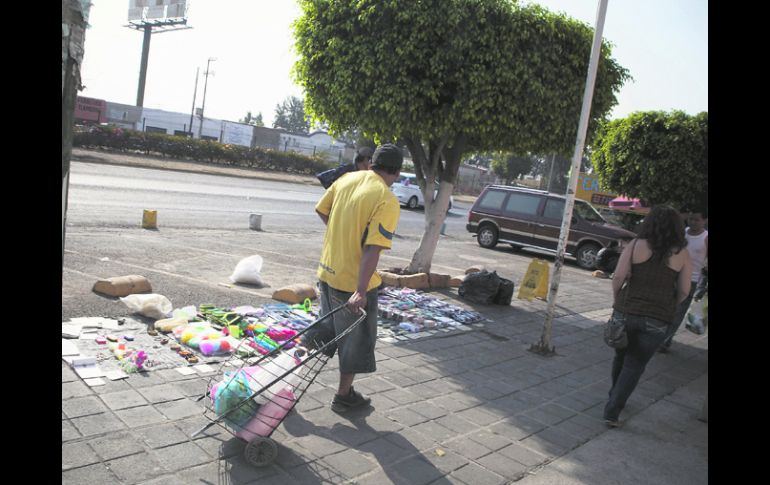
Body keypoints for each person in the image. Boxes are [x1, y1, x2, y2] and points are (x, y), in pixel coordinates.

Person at [303, 143, 403, 412]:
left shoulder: (346, 179)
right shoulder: (386, 198)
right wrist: (360, 290)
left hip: (326, 272)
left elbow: (321, 209)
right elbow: (373, 248)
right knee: (354, 344)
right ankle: (343, 396)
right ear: (396, 172)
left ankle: (285, 381)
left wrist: (341, 234)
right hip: (352, 284)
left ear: (372, 163)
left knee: (322, 333)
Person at [603, 205, 692, 428]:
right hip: (658, 318)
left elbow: (618, 277)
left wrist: (617, 300)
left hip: (626, 310)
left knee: (620, 356)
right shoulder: (682, 253)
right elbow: (684, 290)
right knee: (635, 365)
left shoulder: (634, 246)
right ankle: (613, 410)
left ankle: (614, 395)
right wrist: (670, 305)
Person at [658, 208, 708, 352]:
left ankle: (665, 342)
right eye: (690, 219)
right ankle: (657, 336)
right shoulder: (682, 233)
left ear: (704, 220)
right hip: (672, 275)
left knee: (678, 312)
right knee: (663, 308)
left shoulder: (705, 237)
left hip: (691, 280)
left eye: (696, 219)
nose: (692, 222)